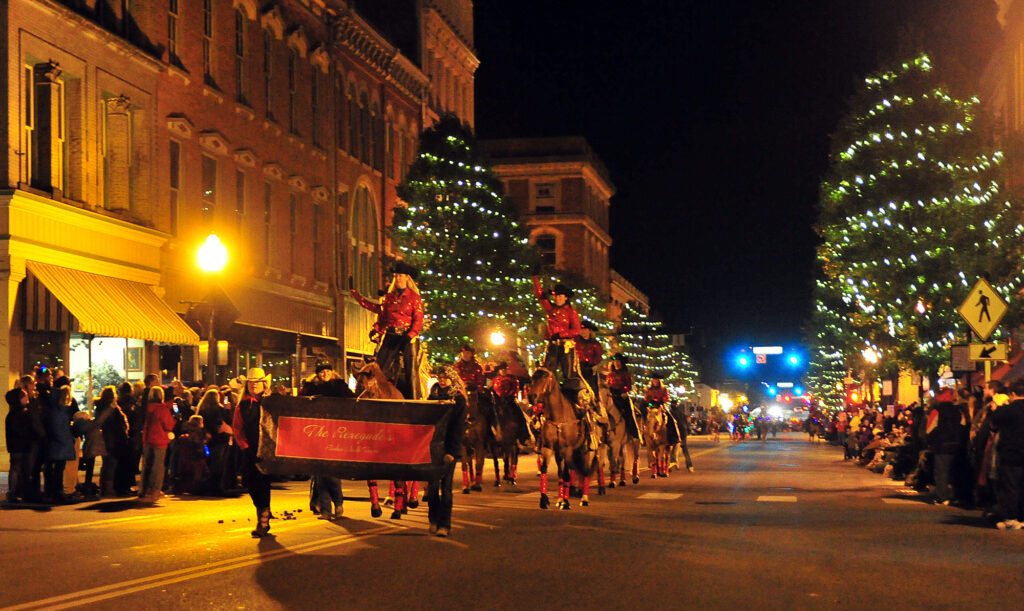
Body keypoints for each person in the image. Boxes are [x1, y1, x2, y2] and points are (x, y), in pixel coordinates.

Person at [350, 262, 424, 399]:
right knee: (378, 368)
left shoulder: (414, 297)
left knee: (411, 370)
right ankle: (378, 396)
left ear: (407, 278)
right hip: (391, 335)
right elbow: (382, 315)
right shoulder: (389, 297)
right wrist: (356, 296)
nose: (398, 278)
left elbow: (418, 319)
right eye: (396, 276)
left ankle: (415, 399)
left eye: (400, 276)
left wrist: (410, 335)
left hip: (408, 336)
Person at [299, 360, 354, 520]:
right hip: (316, 432)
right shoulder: (311, 386)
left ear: (332, 372)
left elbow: (351, 400)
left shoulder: (339, 385)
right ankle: (326, 510)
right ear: (317, 373)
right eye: (322, 372)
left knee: (331, 472)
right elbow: (300, 401)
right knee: (319, 473)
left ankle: (338, 503)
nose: (325, 374)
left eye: (327, 371)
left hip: (335, 432)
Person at [425, 365, 467, 537]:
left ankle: (445, 524)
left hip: (448, 448)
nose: (442, 380)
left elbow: (457, 428)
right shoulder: (432, 396)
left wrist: (451, 451)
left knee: (446, 488)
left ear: (451, 379)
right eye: (439, 377)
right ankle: (433, 519)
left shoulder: (459, 399)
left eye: (445, 378)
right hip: (432, 449)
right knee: (433, 488)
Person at [232, 367, 274, 537]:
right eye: (251, 382)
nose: (254, 385)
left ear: (264, 384)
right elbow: (237, 428)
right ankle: (263, 511)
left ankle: (263, 521)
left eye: (257, 382)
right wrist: (245, 446)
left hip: (267, 450)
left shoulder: (272, 403)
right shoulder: (242, 406)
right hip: (250, 450)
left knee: (263, 483)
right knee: (249, 482)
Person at [531, 267, 582, 388]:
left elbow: (576, 330)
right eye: (556, 296)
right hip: (552, 345)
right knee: (545, 371)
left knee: (569, 375)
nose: (557, 298)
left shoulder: (571, 312)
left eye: (560, 296)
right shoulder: (551, 309)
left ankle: (573, 399)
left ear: (566, 297)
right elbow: (540, 296)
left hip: (565, 346)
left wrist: (561, 334)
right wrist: (535, 279)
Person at [991, 378, 1024, 530]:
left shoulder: (1008, 410)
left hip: (1011, 453)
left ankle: (1012, 518)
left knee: (1011, 486)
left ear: (1012, 394)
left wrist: (998, 407)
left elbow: (995, 420)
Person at [5, 376, 45, 503]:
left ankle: (15, 492)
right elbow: (23, 430)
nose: (27, 398)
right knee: (20, 469)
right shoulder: (21, 413)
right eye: (24, 397)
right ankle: (14, 493)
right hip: (21, 445)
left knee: (17, 469)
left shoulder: (14, 413)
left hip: (16, 446)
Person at [927, 388, 968, 506]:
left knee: (942, 472)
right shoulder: (959, 410)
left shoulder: (936, 411)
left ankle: (942, 497)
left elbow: (930, 429)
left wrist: (931, 441)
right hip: (957, 445)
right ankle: (956, 495)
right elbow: (963, 426)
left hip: (941, 446)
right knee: (956, 471)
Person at [140, 386, 175, 502]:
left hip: (147, 438)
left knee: (146, 465)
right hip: (160, 439)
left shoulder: (146, 408)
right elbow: (168, 424)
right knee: (158, 465)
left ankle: (143, 489)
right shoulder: (162, 409)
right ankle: (155, 489)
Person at [43, 383, 77, 504]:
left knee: (55, 469)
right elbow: (59, 429)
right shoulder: (60, 412)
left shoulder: (55, 409)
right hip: (60, 444)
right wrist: (67, 440)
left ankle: (53, 492)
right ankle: (57, 492)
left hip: (56, 444)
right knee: (58, 469)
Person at [93, 385, 129, 498]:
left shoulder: (100, 407)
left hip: (105, 438)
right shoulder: (111, 409)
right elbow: (116, 424)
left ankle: (103, 488)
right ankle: (108, 490)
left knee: (106, 464)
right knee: (111, 464)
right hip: (112, 439)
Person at [607, 354, 639, 439]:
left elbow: (628, 386)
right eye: (615, 361)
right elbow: (607, 385)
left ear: (621, 363)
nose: (616, 363)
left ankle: (632, 432)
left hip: (622, 397)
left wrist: (624, 392)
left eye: (618, 361)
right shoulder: (610, 374)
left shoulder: (625, 374)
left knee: (629, 412)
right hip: (612, 396)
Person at [575, 321, 604, 394]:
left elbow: (598, 357)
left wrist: (592, 365)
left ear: (590, 331)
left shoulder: (595, 344)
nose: (583, 331)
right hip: (577, 369)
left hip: (590, 370)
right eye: (581, 329)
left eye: (585, 329)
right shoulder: (575, 341)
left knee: (592, 389)